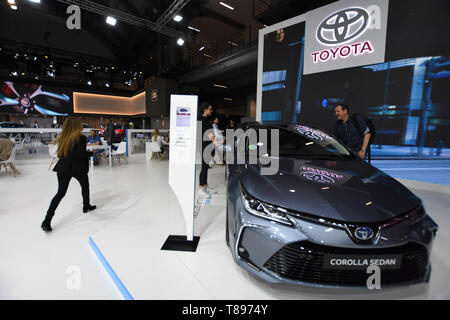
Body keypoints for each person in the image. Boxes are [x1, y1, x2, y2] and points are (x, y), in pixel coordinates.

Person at [41, 118, 96, 232]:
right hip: (78, 168)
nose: (81, 125)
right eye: (80, 123)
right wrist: (91, 153)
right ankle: (86, 206)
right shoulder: (81, 137)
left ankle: (47, 220)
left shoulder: (63, 138)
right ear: (76, 126)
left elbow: (60, 154)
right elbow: (81, 153)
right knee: (85, 187)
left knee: (60, 193)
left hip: (63, 168)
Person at [198, 102, 219, 197]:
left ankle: (205, 186)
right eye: (210, 109)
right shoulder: (202, 120)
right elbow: (209, 134)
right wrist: (216, 143)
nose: (211, 110)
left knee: (206, 167)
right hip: (205, 147)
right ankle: (201, 188)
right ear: (205, 109)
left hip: (208, 147)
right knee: (204, 167)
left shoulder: (207, 120)